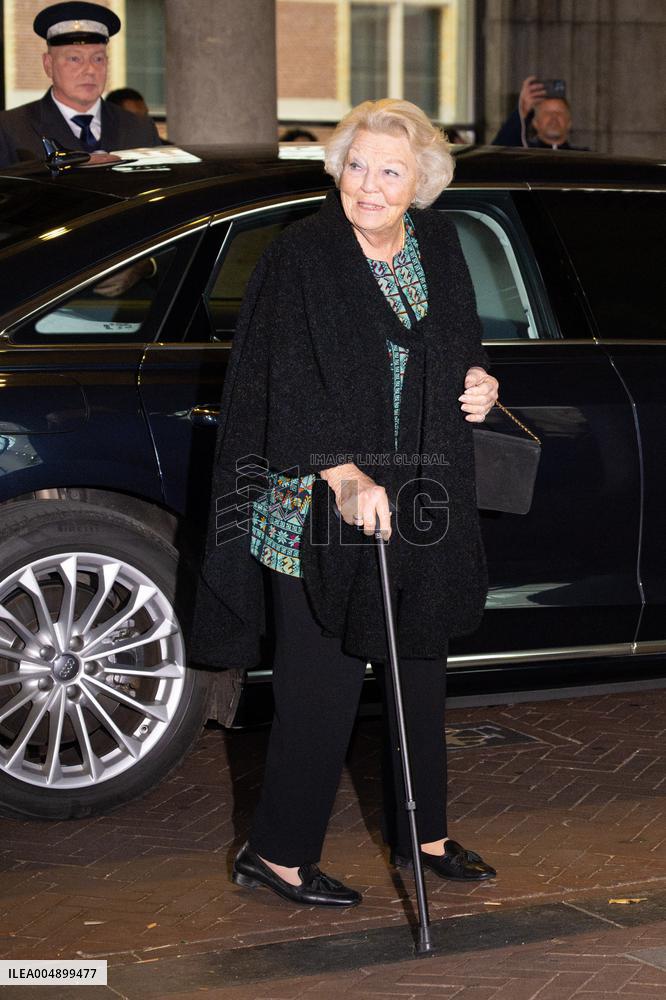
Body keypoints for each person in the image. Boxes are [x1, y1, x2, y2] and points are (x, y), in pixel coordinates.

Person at [190, 98, 499, 907]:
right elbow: (279, 378)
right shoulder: (304, 256)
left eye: (389, 171)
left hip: (418, 493)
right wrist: (345, 474)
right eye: (356, 165)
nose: (367, 184)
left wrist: (478, 381)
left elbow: (458, 342)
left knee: (419, 664)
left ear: (420, 183)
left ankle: (421, 832)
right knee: (320, 686)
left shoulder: (437, 243)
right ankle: (277, 854)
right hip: (317, 504)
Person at [0, 2, 161, 168]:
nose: (90, 70)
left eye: (98, 59)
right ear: (48, 65)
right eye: (75, 59)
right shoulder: (11, 129)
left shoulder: (140, 129)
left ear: (107, 63)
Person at [492, 75, 589, 150]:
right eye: (547, 113)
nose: (554, 118)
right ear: (535, 122)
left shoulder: (586, 159)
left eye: (559, 113)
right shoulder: (523, 155)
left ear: (569, 123)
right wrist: (522, 111)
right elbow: (496, 154)